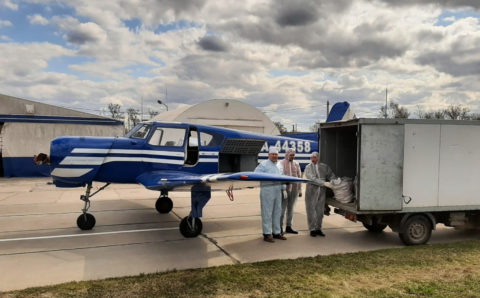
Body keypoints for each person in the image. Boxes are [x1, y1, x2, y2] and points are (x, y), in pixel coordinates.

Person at [254, 146, 287, 243]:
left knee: (277, 212)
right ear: (269, 155)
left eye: (276, 154)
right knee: (267, 213)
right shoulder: (263, 165)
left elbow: (282, 177)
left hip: (277, 191)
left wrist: (284, 189)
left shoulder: (280, 165)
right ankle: (267, 234)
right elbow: (255, 174)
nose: (274, 156)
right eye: (272, 154)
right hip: (267, 191)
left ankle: (276, 233)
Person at [304, 152, 336, 237]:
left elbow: (331, 175)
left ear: (318, 158)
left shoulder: (324, 167)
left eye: (315, 158)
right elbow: (312, 178)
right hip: (311, 192)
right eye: (312, 158)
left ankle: (318, 229)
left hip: (321, 192)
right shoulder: (308, 167)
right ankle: (312, 229)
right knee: (311, 211)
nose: (313, 159)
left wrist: (332, 181)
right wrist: (324, 183)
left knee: (320, 211)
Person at [279, 148, 302, 234]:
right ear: (287, 154)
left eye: (293, 155)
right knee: (282, 209)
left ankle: (289, 226)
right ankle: (279, 227)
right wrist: (282, 188)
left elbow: (299, 176)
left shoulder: (296, 164)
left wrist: (300, 190)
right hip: (285, 190)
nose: (292, 156)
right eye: (291, 155)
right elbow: (279, 176)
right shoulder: (281, 163)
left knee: (291, 209)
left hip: (294, 190)